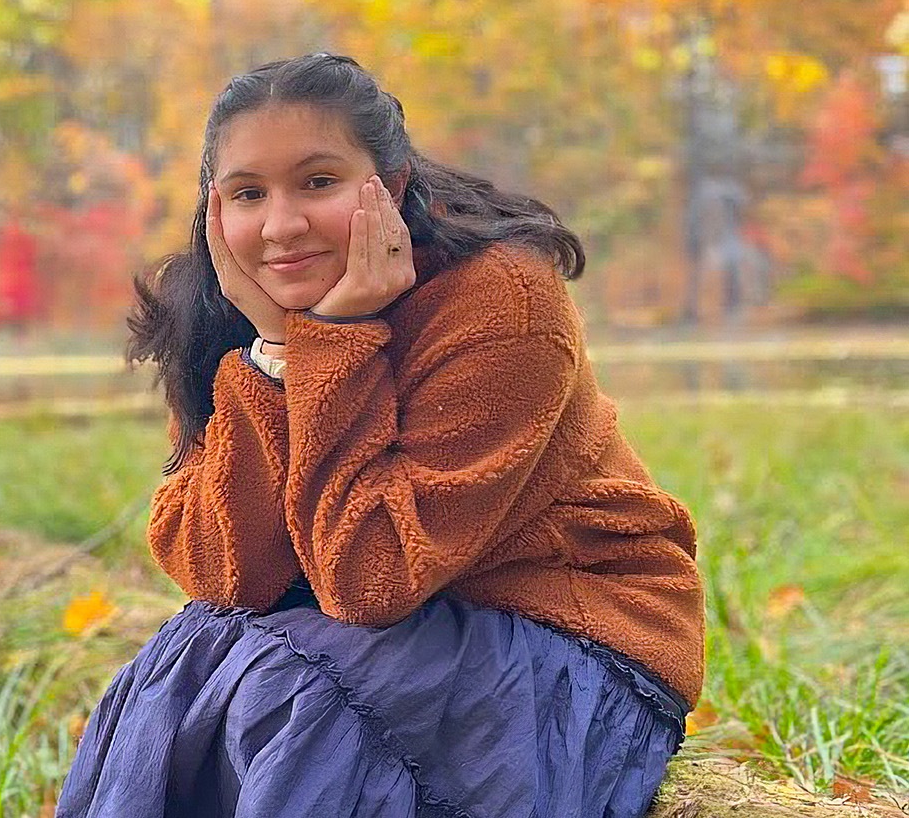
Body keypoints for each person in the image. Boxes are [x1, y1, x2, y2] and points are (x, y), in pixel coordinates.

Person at [56, 53, 705, 818]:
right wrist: (273, 359)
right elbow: (221, 574)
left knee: (289, 689)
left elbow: (374, 577)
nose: (281, 224)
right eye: (248, 194)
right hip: (363, 640)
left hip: (562, 636)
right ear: (213, 210)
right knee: (183, 667)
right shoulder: (232, 311)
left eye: (319, 182)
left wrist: (329, 348)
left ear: (390, 185)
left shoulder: (500, 298)